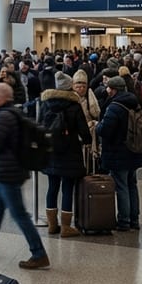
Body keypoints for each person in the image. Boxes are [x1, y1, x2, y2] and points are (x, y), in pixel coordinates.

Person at [0, 83, 49, 269]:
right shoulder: (10, 113)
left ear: (3, 98)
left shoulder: (3, 117)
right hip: (8, 171)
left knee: (19, 214)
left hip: (8, 172)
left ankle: (39, 253)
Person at [40, 72, 93, 238]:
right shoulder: (74, 105)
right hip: (70, 151)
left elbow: (39, 125)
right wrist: (87, 140)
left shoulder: (46, 104)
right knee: (68, 188)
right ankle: (65, 227)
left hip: (50, 151)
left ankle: (51, 224)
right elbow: (84, 131)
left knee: (52, 187)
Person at [98, 76, 142, 232]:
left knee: (121, 186)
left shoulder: (115, 107)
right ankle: (134, 219)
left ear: (114, 90)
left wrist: (97, 127)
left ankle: (124, 221)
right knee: (132, 185)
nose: (107, 90)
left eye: (109, 88)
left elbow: (105, 130)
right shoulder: (134, 103)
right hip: (134, 151)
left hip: (119, 153)